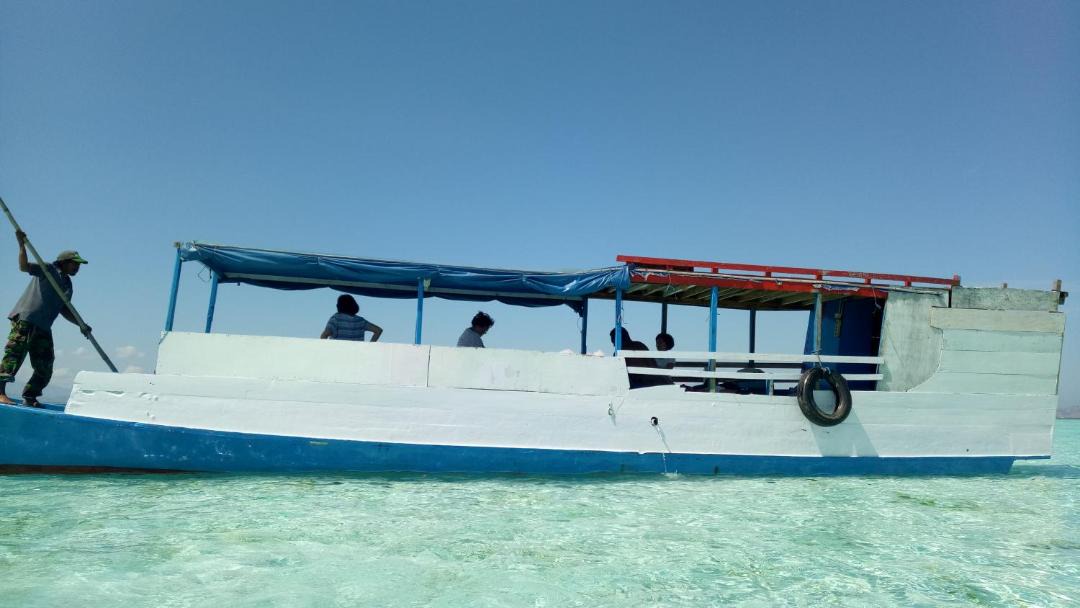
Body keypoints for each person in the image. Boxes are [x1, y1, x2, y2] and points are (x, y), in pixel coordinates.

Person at [0, 231, 90, 407]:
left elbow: (64, 308)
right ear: (64, 263)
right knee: (14, 357)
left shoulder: (67, 284)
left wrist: (81, 324)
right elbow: (24, 267)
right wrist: (21, 245)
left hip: (44, 326)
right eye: (75, 264)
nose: (77, 268)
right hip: (26, 319)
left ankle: (30, 396)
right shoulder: (48, 269)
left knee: (45, 365)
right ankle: (0, 393)